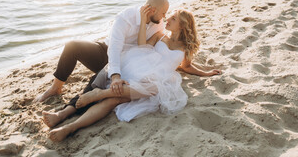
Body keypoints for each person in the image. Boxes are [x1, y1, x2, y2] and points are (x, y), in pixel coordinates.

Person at [43, 7, 222, 142]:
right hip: (139, 67)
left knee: (138, 92)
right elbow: (142, 45)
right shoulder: (160, 35)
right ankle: (71, 118)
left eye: (173, 18)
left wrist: (206, 73)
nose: (168, 19)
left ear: (183, 26)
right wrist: (144, 19)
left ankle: (77, 120)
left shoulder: (187, 49)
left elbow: (186, 67)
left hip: (158, 79)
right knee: (120, 95)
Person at [35, 0, 169, 103]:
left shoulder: (158, 23)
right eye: (163, 13)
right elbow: (114, 48)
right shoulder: (126, 17)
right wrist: (115, 76)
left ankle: (73, 107)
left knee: (93, 86)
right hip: (107, 53)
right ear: (153, 10)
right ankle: (55, 88)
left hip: (129, 64)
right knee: (72, 46)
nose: (164, 17)